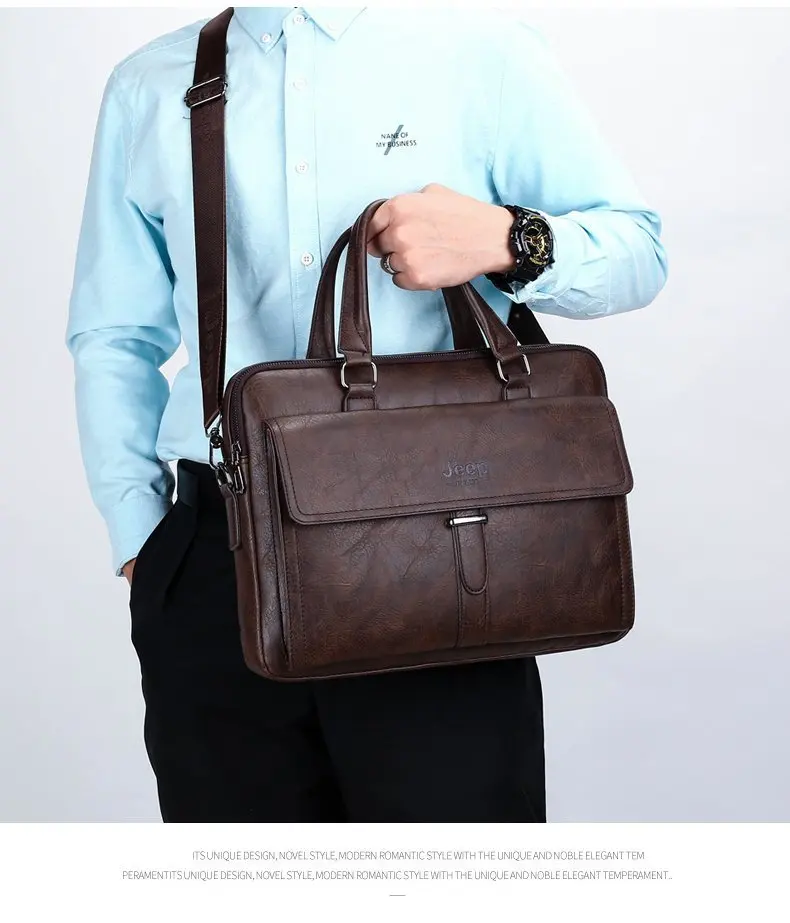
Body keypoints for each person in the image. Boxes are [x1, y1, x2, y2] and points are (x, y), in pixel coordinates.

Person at [66, 6, 667, 823]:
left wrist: (506, 240)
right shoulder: (150, 84)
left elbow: (639, 251)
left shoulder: (480, 51)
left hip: (438, 548)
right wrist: (142, 538)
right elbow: (114, 331)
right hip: (216, 561)